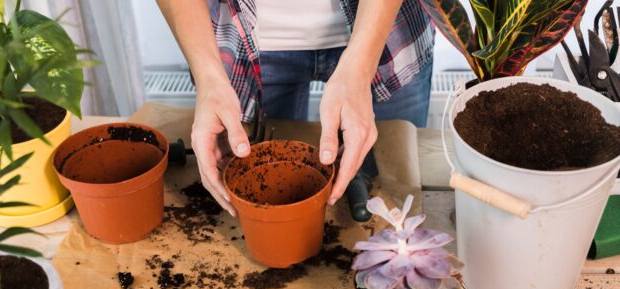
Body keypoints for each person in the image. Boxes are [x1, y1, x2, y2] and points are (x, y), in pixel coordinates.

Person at [157, 0, 434, 221]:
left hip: (386, 29)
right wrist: (208, 77)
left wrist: (362, 64)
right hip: (247, 41)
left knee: (393, 184)